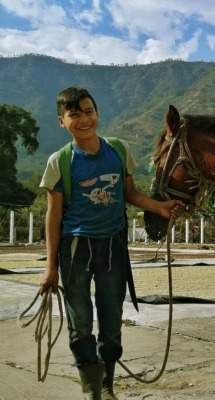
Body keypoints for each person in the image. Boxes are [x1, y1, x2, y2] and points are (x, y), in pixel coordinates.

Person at [39, 86, 184, 400]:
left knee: (111, 320)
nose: (84, 119)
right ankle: (93, 391)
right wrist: (50, 268)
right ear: (61, 121)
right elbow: (53, 217)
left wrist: (159, 207)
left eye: (89, 111)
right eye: (74, 114)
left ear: (97, 114)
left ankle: (106, 387)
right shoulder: (59, 161)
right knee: (79, 323)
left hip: (114, 246)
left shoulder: (119, 150)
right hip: (75, 248)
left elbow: (129, 194)